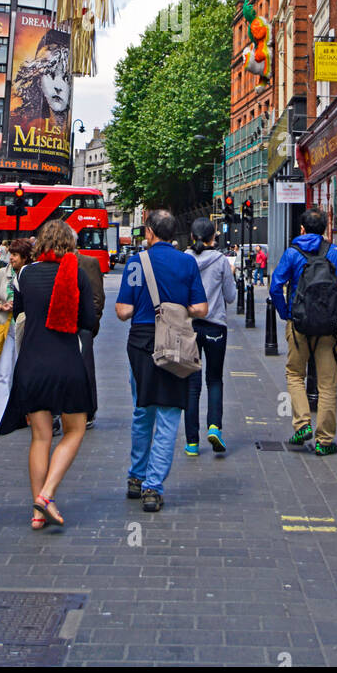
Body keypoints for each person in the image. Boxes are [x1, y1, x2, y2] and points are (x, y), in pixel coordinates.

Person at [0, 220, 95, 529]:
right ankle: (48, 494)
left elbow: (19, 311)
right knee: (75, 430)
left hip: (31, 363)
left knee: (39, 437)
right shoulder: (76, 274)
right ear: (70, 244)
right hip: (66, 362)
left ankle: (37, 513)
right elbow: (88, 321)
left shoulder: (25, 274)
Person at [115, 209, 207, 513]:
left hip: (140, 342)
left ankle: (135, 477)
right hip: (175, 343)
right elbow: (202, 308)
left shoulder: (135, 263)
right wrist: (178, 309)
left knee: (143, 409)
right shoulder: (187, 262)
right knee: (169, 414)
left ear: (150, 233)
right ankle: (153, 488)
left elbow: (122, 310)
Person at [269, 207, 337, 456]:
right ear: (325, 229)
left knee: (295, 374)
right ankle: (324, 441)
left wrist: (286, 313)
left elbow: (276, 286)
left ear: (302, 229)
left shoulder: (292, 253)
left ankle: (302, 423)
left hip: (299, 325)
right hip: (328, 327)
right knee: (328, 384)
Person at [183, 218, 236, 457]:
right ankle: (215, 426)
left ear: (192, 236)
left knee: (192, 385)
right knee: (214, 379)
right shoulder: (221, 261)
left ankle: (192, 442)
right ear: (213, 238)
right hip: (215, 326)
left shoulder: (183, 260)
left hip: (189, 326)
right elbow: (231, 296)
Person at [0, 236, 33, 435]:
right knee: (2, 374)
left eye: (15, 255)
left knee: (25, 373)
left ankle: (26, 413)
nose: (11, 258)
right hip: (5, 326)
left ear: (24, 257)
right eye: (11, 254)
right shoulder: (1, 274)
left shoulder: (31, 274)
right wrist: (0, 305)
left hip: (25, 328)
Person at [76, 252, 105, 427]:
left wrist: (90, 324)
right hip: (58, 326)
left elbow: (97, 297)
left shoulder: (89, 263)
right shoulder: (51, 263)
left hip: (82, 326)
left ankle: (88, 411)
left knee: (85, 368)